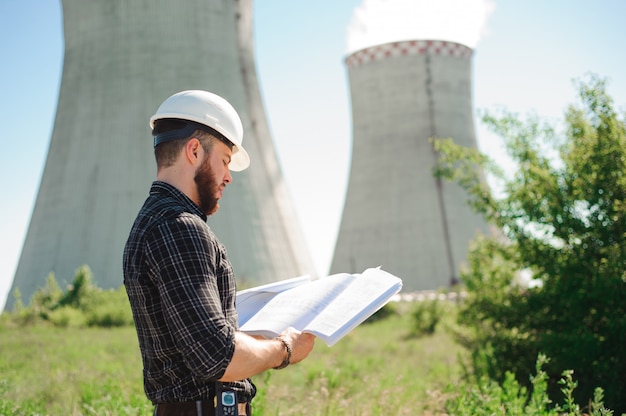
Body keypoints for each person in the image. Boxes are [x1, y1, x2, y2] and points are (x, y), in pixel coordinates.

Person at [123, 90, 316, 416]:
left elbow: (201, 339)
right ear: (195, 151)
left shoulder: (158, 221)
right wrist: (284, 348)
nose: (228, 176)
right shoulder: (179, 227)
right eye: (225, 160)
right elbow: (216, 356)